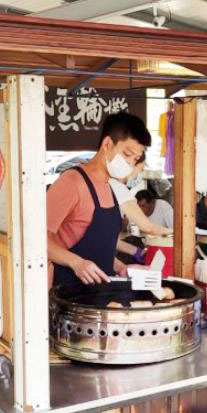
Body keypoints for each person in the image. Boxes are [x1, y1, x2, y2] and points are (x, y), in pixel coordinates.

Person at [47, 112, 151, 285]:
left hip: (100, 297)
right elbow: (35, 240)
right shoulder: (72, 182)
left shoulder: (112, 187)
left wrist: (122, 268)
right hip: (67, 297)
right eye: (127, 154)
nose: (130, 164)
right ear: (107, 144)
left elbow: (97, 250)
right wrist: (76, 263)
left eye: (135, 159)